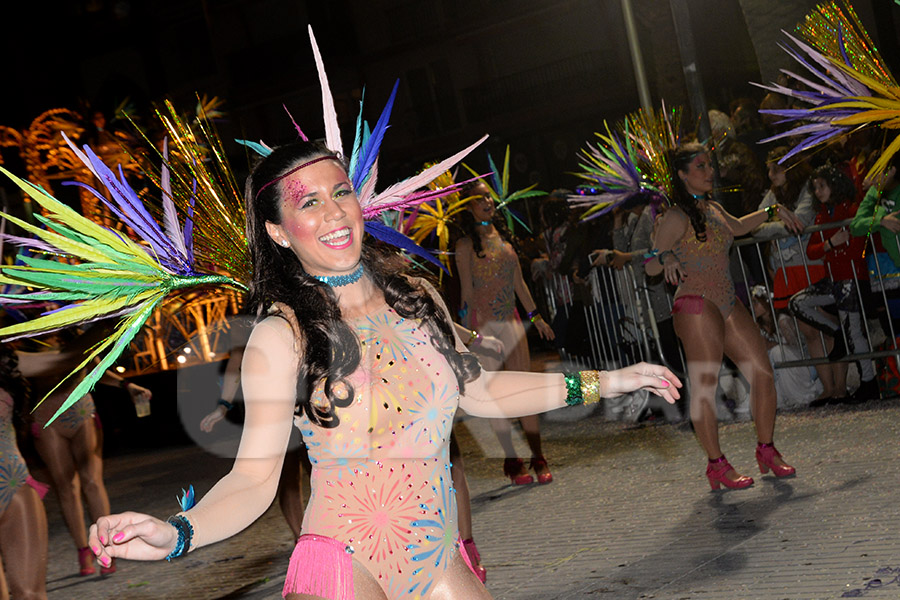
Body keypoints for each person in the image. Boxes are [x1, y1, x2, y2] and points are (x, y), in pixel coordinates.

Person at [87, 141, 680, 600]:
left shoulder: (416, 296)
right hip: (344, 563)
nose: (334, 212)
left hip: (436, 555)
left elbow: (480, 390)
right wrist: (178, 534)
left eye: (340, 192)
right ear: (276, 232)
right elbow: (253, 481)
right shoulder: (281, 334)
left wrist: (608, 380)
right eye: (308, 203)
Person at [646, 142, 801, 490]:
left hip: (727, 300)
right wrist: (667, 257)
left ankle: (767, 450)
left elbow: (740, 227)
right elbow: (650, 262)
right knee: (706, 387)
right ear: (683, 175)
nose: (709, 171)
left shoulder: (713, 208)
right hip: (696, 304)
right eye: (700, 166)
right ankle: (716, 464)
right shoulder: (675, 216)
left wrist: (773, 209)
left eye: (709, 165)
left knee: (762, 372)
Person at [455, 180, 557, 485]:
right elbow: (466, 294)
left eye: (489, 196)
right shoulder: (464, 246)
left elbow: (520, 284)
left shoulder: (504, 237)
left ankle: (538, 456)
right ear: (468, 206)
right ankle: (513, 460)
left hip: (512, 324)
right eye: (479, 198)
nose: (488, 201)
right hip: (484, 329)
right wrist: (464, 337)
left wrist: (536, 316)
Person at [27, 329, 152, 576]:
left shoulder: (77, 335)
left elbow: (96, 368)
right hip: (46, 417)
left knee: (93, 482)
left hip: (81, 412)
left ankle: (106, 547)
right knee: (66, 487)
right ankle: (83, 550)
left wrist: (126, 385)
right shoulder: (30, 340)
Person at [789, 164, 880, 404]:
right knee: (797, 303)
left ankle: (869, 383)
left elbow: (854, 249)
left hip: (852, 278)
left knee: (855, 333)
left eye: (822, 186)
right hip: (836, 280)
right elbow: (812, 251)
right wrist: (831, 243)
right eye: (815, 187)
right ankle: (838, 334)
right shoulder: (822, 215)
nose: (818, 192)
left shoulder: (851, 209)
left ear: (835, 185)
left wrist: (830, 245)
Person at [753, 146, 832, 403]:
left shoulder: (807, 188)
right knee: (808, 331)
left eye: (775, 169)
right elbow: (755, 228)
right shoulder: (774, 195)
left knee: (822, 327)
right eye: (769, 169)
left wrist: (778, 223)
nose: (770, 174)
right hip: (787, 271)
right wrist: (779, 218)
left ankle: (834, 385)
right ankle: (827, 386)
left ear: (791, 167)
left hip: (809, 265)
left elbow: (800, 222)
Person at [0, 344, 49, 600]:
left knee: (30, 594)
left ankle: (86, 551)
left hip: (12, 485)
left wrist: (106, 322)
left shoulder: (4, 360)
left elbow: (63, 358)